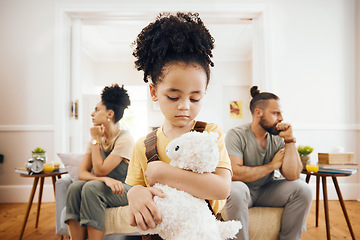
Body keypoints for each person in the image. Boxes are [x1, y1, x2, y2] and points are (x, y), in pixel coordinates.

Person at [125, 12, 232, 236]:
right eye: (174, 97)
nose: (184, 106)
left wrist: (162, 172)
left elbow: (221, 188)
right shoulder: (143, 145)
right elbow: (134, 186)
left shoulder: (210, 133)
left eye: (195, 98)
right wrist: (134, 194)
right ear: (154, 92)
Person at [224, 86, 312, 240]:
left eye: (281, 113)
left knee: (303, 189)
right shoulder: (236, 135)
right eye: (276, 113)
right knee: (236, 190)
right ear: (258, 113)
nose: (281, 118)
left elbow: (292, 175)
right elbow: (235, 173)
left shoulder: (278, 137)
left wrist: (290, 140)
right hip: (245, 190)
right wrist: (272, 166)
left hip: (267, 190)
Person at [65, 84, 135, 240]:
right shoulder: (96, 139)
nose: (92, 114)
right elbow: (82, 173)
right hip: (107, 186)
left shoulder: (125, 139)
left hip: (126, 189)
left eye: (97, 110)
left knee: (92, 188)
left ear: (110, 114)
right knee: (75, 187)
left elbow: (100, 170)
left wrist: (95, 140)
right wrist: (104, 179)